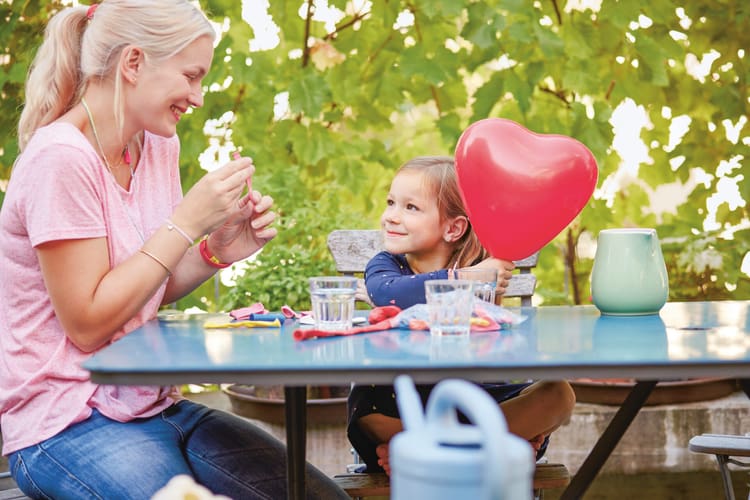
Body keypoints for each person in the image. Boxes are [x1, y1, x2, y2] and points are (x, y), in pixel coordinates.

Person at [0, 2, 349, 499]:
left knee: (318, 496)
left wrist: (215, 250)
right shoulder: (61, 158)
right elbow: (88, 322)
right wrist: (185, 223)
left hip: (152, 404)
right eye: (190, 76)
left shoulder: (157, 144)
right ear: (134, 63)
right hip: (66, 421)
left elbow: (143, 292)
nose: (198, 97)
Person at [348, 156, 577, 475]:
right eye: (391, 203)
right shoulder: (386, 265)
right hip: (404, 401)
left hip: (475, 399)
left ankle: (429, 453)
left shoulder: (481, 268)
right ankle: (494, 447)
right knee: (367, 413)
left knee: (559, 394)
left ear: (453, 228)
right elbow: (388, 294)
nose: (391, 217)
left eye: (410, 207)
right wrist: (466, 278)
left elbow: (500, 342)